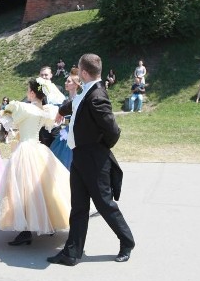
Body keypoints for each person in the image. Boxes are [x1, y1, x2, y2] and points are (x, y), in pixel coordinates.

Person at [47, 53, 134, 266]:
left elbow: (113, 130)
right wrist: (60, 109)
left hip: (94, 158)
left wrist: (99, 148)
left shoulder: (97, 96)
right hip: (79, 156)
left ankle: (127, 241)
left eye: (78, 69)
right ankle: (72, 252)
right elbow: (75, 104)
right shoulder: (87, 91)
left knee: (104, 204)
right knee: (78, 206)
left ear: (84, 73)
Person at [0, 79, 70, 246]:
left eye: (28, 90)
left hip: (25, 149)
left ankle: (27, 230)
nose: (27, 93)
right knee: (43, 187)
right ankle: (48, 222)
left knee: (22, 188)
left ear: (33, 93)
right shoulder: (45, 111)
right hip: (38, 148)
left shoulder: (24, 107)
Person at [50, 70, 81, 169]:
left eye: (69, 81)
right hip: (66, 132)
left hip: (76, 132)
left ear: (76, 85)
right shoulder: (65, 100)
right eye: (66, 81)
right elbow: (66, 118)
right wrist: (64, 128)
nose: (65, 83)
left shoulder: (80, 99)